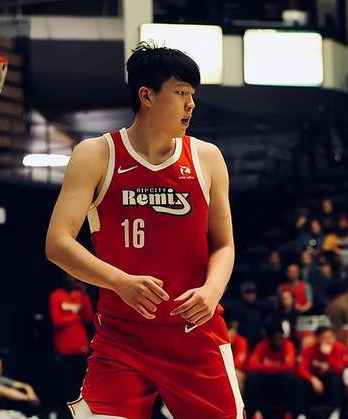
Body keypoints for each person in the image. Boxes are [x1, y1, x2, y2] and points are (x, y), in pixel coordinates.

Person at [45, 41, 243, 418]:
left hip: (194, 333)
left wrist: (211, 290)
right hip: (123, 335)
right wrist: (120, 282)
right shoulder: (96, 154)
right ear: (146, 96)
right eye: (181, 93)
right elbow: (57, 243)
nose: (191, 104)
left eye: (192, 94)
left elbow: (224, 245)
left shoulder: (207, 158)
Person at [48, 274, 93, 407]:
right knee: (65, 382)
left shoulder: (80, 295)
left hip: (81, 346)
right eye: (69, 276)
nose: (72, 278)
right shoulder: (56, 295)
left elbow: (89, 317)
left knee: (82, 382)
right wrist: (76, 317)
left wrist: (85, 295)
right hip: (64, 347)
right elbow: (57, 320)